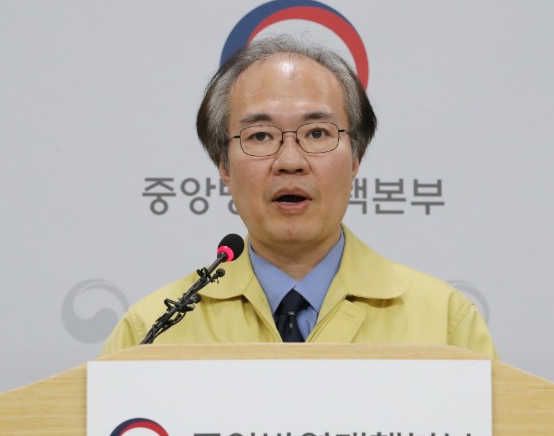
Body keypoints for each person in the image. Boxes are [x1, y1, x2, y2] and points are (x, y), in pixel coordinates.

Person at [102, 35, 497, 357]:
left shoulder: (445, 323)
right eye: (260, 136)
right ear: (224, 165)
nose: (290, 161)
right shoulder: (153, 330)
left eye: (317, 133)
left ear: (355, 157)